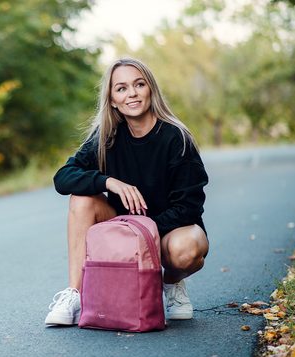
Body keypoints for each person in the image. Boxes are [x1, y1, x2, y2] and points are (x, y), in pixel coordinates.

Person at [44, 57, 210, 326]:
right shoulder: (106, 137)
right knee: (82, 199)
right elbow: (62, 178)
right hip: (123, 227)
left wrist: (141, 234)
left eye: (139, 84)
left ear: (150, 89)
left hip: (168, 231)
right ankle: (75, 294)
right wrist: (108, 182)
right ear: (112, 100)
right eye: (121, 88)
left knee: (187, 250)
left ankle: (171, 283)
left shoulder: (176, 138)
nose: (132, 93)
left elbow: (189, 207)